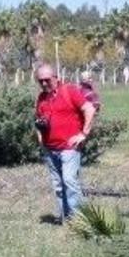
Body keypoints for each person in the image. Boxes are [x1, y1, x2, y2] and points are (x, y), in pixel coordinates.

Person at [34, 63, 96, 223]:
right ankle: (66, 219)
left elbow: (89, 109)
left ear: (56, 77)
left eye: (47, 80)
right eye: (40, 81)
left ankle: (78, 221)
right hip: (50, 148)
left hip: (69, 147)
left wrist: (84, 133)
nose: (44, 84)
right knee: (58, 186)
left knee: (69, 181)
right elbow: (38, 119)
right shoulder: (41, 98)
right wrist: (40, 136)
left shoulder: (69, 91)